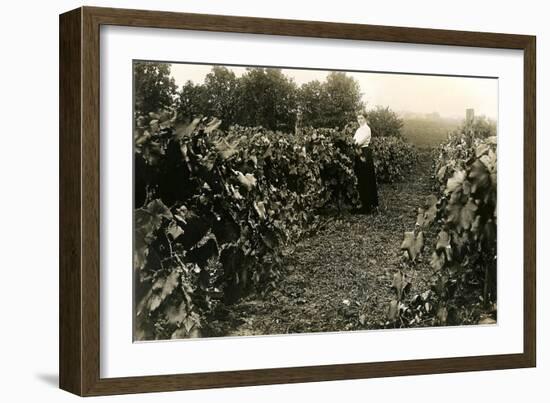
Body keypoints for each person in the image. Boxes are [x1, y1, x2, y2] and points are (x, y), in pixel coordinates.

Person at [353, 112, 379, 213]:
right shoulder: (359, 129)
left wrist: (354, 144)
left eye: (362, 118)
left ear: (365, 119)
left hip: (364, 153)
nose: (360, 120)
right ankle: (364, 204)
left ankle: (367, 206)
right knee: (361, 178)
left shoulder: (367, 129)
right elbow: (353, 141)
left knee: (366, 178)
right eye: (358, 118)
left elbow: (358, 142)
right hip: (358, 152)